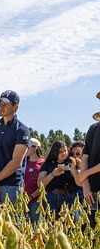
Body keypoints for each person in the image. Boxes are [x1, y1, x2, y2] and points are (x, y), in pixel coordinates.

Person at [0, 90, 30, 204]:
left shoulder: (22, 130)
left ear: (15, 107)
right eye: (0, 104)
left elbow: (16, 161)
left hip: (11, 186)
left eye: (5, 104)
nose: (1, 107)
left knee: (11, 216)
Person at [37, 140, 80, 218]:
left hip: (69, 196)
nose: (64, 153)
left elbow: (78, 180)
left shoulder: (71, 162)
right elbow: (40, 184)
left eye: (65, 151)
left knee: (71, 222)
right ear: (55, 152)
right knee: (51, 222)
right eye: (60, 152)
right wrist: (53, 174)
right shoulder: (48, 164)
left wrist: (74, 167)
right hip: (51, 196)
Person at [77, 93, 100, 227]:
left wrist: (85, 174)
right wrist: (85, 184)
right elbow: (85, 157)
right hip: (92, 191)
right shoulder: (94, 128)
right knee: (91, 229)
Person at [23, 138, 45, 222]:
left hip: (36, 200)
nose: (26, 149)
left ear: (35, 148)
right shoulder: (23, 162)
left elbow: (43, 185)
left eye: (28, 147)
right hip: (22, 199)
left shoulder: (43, 163)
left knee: (35, 224)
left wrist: (31, 196)